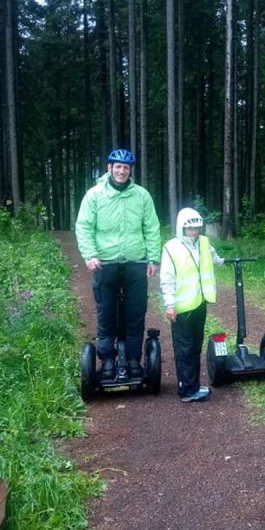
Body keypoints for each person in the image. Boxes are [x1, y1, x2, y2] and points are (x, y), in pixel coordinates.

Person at [75, 149, 161, 380]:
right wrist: (90, 255)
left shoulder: (142, 195)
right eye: (118, 166)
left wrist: (153, 258)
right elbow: (83, 226)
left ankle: (133, 359)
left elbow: (151, 227)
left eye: (126, 167)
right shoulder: (94, 195)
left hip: (135, 263)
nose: (122, 171)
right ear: (109, 168)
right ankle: (108, 361)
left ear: (130, 170)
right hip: (105, 264)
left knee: (135, 314)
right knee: (106, 315)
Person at [159, 207, 223, 403]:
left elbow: (215, 259)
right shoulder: (171, 248)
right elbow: (167, 279)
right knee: (184, 349)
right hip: (181, 308)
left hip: (199, 304)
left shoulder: (204, 243)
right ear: (181, 228)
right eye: (190, 229)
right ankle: (186, 390)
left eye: (196, 228)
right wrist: (169, 305)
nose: (194, 232)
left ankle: (193, 386)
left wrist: (225, 261)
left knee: (196, 346)